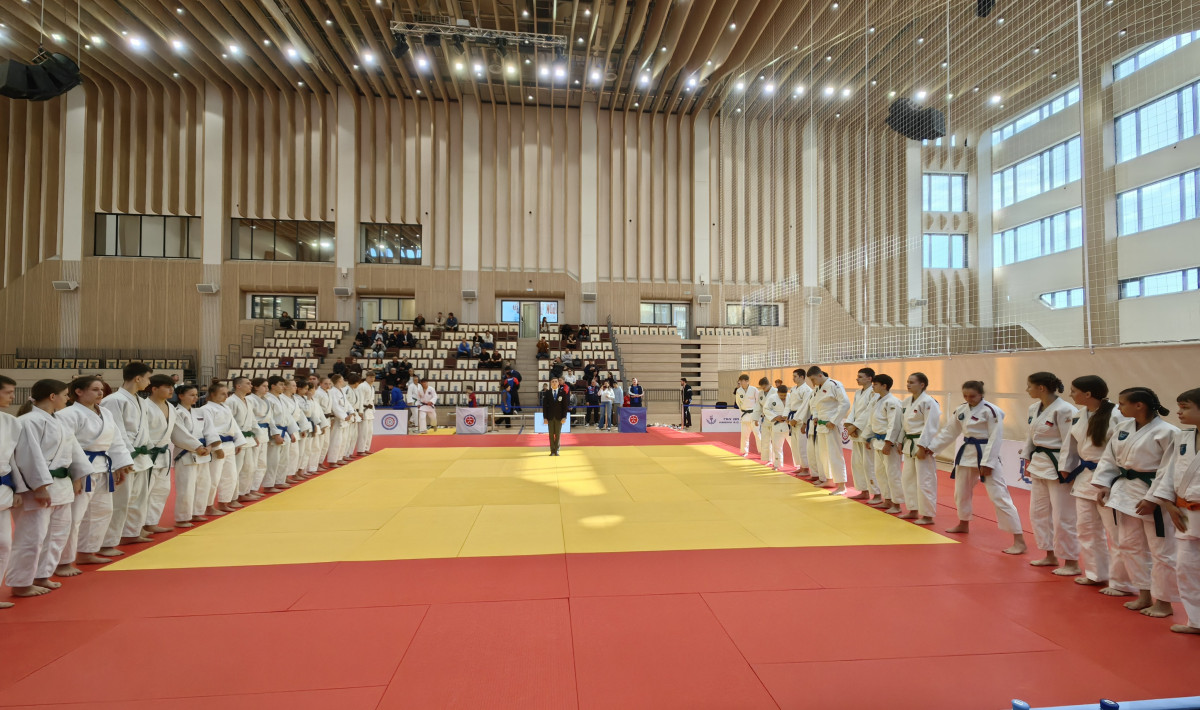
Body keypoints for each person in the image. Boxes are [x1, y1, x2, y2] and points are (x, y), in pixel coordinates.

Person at [1093, 387, 1180, 619]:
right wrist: (1104, 484)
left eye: (1122, 403)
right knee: (1129, 545)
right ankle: (1144, 594)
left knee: (1162, 551)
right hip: (1126, 492)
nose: (1119, 407)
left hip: (1155, 494)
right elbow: (1109, 459)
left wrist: (1154, 498)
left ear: (1139, 405)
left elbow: (1171, 470)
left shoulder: (1168, 432)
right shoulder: (1123, 428)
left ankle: (1164, 602)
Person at [7, 380, 91, 598]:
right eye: (65, 394)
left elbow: (73, 451)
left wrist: (78, 475)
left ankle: (42, 575)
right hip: (37, 487)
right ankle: (21, 583)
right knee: (32, 538)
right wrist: (40, 487)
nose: (68, 399)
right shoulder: (28, 421)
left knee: (57, 534)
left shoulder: (59, 420)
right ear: (53, 397)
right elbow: (28, 456)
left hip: (61, 485)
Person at [929, 380, 1026, 554]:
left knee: (999, 496)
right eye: (965, 396)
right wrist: (932, 448)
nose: (968, 399)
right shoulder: (961, 410)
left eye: (972, 396)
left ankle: (1019, 539)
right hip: (966, 454)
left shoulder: (991, 411)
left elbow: (996, 437)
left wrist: (988, 463)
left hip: (986, 454)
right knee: (961, 492)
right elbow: (949, 431)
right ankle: (963, 523)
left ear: (981, 394)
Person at [54, 376, 135, 576]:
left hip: (103, 467)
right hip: (82, 468)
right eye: (95, 389)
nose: (100, 393)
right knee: (74, 517)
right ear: (79, 391)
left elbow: (116, 440)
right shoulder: (68, 414)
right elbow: (67, 446)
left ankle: (86, 552)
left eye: (102, 390)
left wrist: (121, 464)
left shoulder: (105, 412)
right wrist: (75, 474)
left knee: (102, 511)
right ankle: (63, 561)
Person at [1148, 387, 1200, 634]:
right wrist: (1169, 504)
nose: (1179, 412)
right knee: (1186, 567)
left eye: (1185, 407)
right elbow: (1167, 473)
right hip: (1185, 514)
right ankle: (1196, 620)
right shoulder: (1182, 437)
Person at [1066, 375, 1126, 588]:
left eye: (1074, 391)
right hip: (1085, 477)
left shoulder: (1117, 415)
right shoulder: (1079, 414)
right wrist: (1066, 469)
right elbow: (1071, 446)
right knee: (1086, 528)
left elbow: (1123, 450)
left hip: (1110, 477)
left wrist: (1109, 479)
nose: (1070, 394)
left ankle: (1122, 583)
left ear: (1088, 393)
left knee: (1116, 532)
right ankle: (1096, 573)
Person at [1021, 371, 1082, 576]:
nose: (1027, 390)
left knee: (1063, 515)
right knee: (1038, 513)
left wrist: (1066, 468)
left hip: (1058, 466)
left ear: (1041, 388)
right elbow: (1030, 436)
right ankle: (1050, 554)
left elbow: (1070, 442)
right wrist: (1026, 458)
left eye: (1029, 386)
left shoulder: (1065, 410)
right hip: (1039, 463)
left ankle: (1071, 561)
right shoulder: (1034, 408)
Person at [100, 362, 154, 554]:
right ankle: (107, 542)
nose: (149, 382)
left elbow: (144, 430)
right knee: (119, 502)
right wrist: (124, 458)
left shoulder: (141, 400)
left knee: (138, 498)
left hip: (140, 456)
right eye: (148, 378)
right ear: (138, 378)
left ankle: (130, 533)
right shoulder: (114, 400)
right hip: (124, 456)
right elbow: (116, 432)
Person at [892, 372, 941, 521]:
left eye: (912, 382)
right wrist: (900, 441)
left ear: (922, 384)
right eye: (907, 381)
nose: (908, 384)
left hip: (921, 444)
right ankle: (913, 510)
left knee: (925, 480)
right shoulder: (906, 402)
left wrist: (922, 446)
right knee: (908, 479)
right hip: (908, 443)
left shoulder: (929, 402)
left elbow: (930, 426)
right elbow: (903, 424)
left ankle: (927, 515)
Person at [172, 384, 216, 526]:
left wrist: (210, 445)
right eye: (192, 395)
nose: (195, 397)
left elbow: (210, 430)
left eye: (196, 395)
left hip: (203, 453)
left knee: (204, 484)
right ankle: (183, 517)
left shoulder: (199, 412)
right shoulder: (176, 413)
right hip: (185, 453)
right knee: (186, 487)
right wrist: (197, 447)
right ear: (181, 396)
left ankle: (197, 512)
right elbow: (179, 434)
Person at [202, 381, 246, 515]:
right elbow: (209, 430)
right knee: (213, 478)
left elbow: (234, 426)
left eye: (227, 393)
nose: (226, 396)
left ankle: (224, 502)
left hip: (230, 445)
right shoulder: (206, 409)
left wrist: (239, 442)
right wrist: (217, 448)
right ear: (212, 394)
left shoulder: (225, 408)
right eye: (222, 394)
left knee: (230, 476)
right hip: (218, 445)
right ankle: (208, 506)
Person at [807, 366, 852, 496]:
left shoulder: (835, 385)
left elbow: (845, 404)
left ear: (820, 375)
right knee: (823, 455)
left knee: (835, 455)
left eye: (813, 379)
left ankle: (842, 485)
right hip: (821, 425)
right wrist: (815, 416)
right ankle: (829, 480)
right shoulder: (818, 388)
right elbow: (815, 405)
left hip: (831, 425)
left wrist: (834, 421)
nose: (812, 382)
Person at [865, 374, 904, 514]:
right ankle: (887, 500)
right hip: (877, 441)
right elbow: (872, 421)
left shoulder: (893, 402)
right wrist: (868, 437)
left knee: (893, 473)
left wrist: (888, 443)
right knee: (880, 472)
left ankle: (896, 504)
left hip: (888, 444)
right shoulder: (877, 400)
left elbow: (894, 425)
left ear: (884, 386)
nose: (873, 387)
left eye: (875, 384)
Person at [844, 368, 881, 502]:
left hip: (867, 431)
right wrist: (850, 424)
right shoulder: (858, 392)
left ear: (869, 378)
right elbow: (854, 410)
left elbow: (869, 412)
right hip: (856, 431)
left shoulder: (874, 393)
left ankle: (877, 494)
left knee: (869, 464)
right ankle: (864, 491)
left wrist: (854, 426)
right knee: (857, 463)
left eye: (860, 377)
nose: (857, 379)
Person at [0, 376, 20, 608]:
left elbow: (15, 460)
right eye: (8, 392)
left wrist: (18, 488)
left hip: (3, 488)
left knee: (4, 544)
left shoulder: (11, 422)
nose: (12, 397)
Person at [785, 369, 813, 474]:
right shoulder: (793, 389)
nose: (793, 378)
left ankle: (806, 468)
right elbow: (788, 404)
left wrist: (796, 419)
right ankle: (801, 466)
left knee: (802, 445)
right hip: (792, 417)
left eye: (795, 376)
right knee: (795, 445)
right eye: (793, 376)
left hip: (801, 419)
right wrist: (786, 416)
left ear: (802, 377)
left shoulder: (807, 390)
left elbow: (805, 406)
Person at [734, 375, 762, 458]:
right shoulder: (739, 390)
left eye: (742, 381)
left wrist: (757, 414)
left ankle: (762, 451)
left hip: (753, 414)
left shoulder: (754, 389)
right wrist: (742, 411)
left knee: (757, 434)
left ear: (747, 381)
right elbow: (738, 402)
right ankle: (744, 451)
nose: (740, 382)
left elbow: (758, 402)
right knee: (744, 435)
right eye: (740, 381)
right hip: (744, 414)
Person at [763, 384, 789, 470]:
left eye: (785, 395)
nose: (783, 397)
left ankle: (799, 465)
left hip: (789, 425)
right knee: (777, 446)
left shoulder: (790, 397)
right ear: (777, 393)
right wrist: (776, 417)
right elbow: (766, 409)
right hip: (777, 424)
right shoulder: (772, 398)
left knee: (794, 446)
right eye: (781, 395)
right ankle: (777, 464)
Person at [542, 377, 569, 456]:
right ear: (551, 383)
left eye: (556, 381)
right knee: (551, 435)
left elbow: (565, 406)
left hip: (559, 417)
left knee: (558, 434)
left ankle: (556, 450)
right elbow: (544, 407)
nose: (554, 383)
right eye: (553, 381)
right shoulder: (547, 393)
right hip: (550, 417)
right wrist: (545, 418)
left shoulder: (562, 392)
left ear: (558, 383)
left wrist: (564, 417)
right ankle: (552, 450)